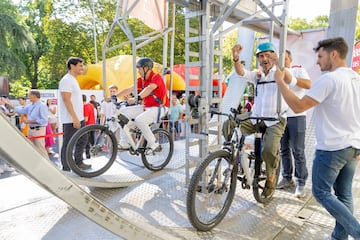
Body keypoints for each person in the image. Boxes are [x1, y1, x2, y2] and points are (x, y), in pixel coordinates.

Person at [274, 37, 360, 240]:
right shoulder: (355, 79)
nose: (318, 62)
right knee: (344, 194)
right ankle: (339, 237)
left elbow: (298, 106)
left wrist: (280, 82)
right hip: (352, 146)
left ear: (334, 54)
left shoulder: (329, 79)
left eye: (320, 56)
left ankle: (357, 232)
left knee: (321, 192)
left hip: (332, 147)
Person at [232, 42, 297, 198]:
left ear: (274, 56)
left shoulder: (281, 71)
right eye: (261, 56)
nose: (264, 58)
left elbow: (290, 80)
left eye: (268, 55)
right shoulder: (258, 74)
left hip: (275, 119)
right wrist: (235, 58)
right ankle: (234, 156)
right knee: (230, 123)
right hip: (256, 117)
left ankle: (271, 177)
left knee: (268, 150)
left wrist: (279, 64)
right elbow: (242, 73)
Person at [113, 57, 169, 154]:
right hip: (146, 108)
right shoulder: (141, 80)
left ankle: (154, 144)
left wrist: (136, 98)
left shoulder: (156, 77)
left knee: (140, 120)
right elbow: (129, 89)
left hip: (159, 108)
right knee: (122, 113)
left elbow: (149, 88)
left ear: (146, 68)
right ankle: (124, 142)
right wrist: (114, 96)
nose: (138, 71)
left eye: (139, 69)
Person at [276, 50, 311, 198]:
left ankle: (301, 182)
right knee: (283, 150)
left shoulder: (298, 69)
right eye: (279, 59)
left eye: (284, 58)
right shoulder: (276, 73)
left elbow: (308, 84)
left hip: (297, 116)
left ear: (290, 59)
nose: (282, 62)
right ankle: (286, 177)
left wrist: (290, 77)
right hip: (281, 117)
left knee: (298, 151)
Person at [58, 56, 90, 171]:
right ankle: (66, 168)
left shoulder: (73, 80)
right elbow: (66, 100)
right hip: (71, 119)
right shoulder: (66, 80)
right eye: (80, 65)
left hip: (78, 118)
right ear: (72, 66)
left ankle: (78, 162)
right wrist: (74, 118)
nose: (82, 67)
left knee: (83, 139)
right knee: (68, 144)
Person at [14, 90, 49, 158]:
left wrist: (29, 121)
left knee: (40, 148)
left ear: (34, 96)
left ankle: (47, 166)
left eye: (29, 96)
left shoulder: (42, 106)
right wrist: (10, 105)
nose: (28, 97)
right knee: (32, 149)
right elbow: (22, 111)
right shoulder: (30, 105)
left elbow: (44, 120)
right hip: (30, 130)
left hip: (38, 130)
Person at [83, 94, 96, 158]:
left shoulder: (85, 107)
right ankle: (94, 153)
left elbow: (86, 119)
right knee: (92, 140)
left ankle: (88, 155)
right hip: (93, 124)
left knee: (87, 141)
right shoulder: (91, 105)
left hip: (87, 126)